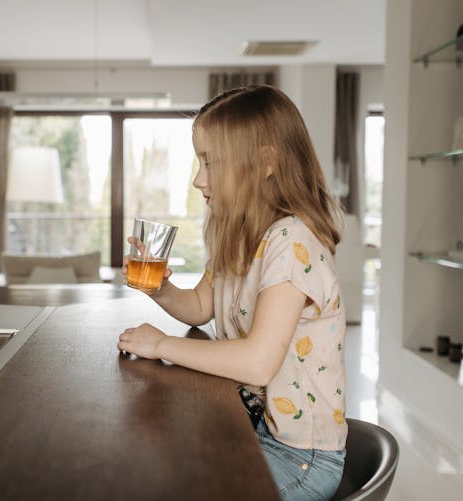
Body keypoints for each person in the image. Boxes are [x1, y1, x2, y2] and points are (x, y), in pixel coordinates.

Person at [117, 84, 347, 501]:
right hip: (254, 428)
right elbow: (201, 306)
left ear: (265, 163)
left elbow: (258, 364)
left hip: (300, 457)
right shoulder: (242, 236)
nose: (197, 179)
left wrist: (162, 345)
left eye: (211, 162)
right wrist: (161, 288)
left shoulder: (291, 241)